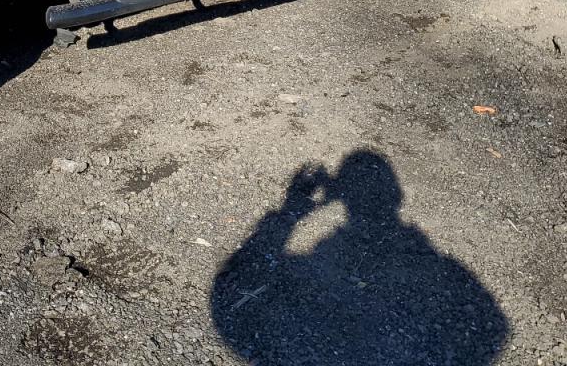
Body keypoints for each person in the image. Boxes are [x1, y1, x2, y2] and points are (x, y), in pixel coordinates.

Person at [211, 149, 509, 365]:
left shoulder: (442, 273)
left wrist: (290, 215)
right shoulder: (449, 274)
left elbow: (232, 295)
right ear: (397, 195)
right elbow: (495, 328)